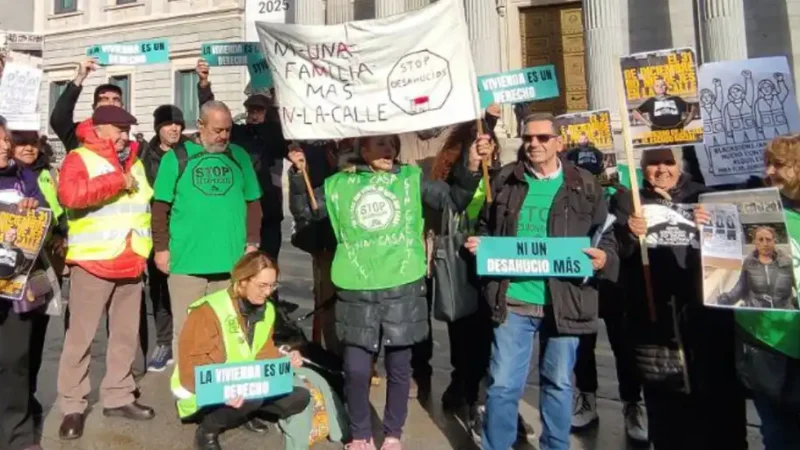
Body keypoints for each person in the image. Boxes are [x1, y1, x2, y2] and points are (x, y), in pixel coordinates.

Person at [288, 132, 486, 450]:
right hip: (357, 287)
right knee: (355, 369)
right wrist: (299, 175)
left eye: (392, 145)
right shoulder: (340, 184)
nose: (388, 150)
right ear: (362, 149)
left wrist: (472, 165)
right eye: (380, 144)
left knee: (399, 368)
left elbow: (453, 200)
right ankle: (361, 433)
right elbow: (308, 212)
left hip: (402, 284)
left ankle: (393, 433)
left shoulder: (410, 178)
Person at [464, 112, 618, 450]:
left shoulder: (585, 185)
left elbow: (605, 235)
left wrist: (605, 258)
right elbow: (486, 228)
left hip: (565, 301)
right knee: (503, 385)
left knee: (559, 383)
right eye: (527, 138)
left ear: (559, 143)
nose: (533, 144)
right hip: (514, 299)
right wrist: (478, 244)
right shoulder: (505, 180)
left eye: (542, 138)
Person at [614, 148, 747, 450]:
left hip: (708, 322)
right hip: (655, 322)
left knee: (721, 415)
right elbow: (617, 257)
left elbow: (734, 254)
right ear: (642, 167)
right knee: (668, 421)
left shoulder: (706, 196)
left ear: (681, 164)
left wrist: (712, 227)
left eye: (668, 162)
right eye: (652, 164)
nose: (661, 170)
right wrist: (629, 234)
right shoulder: (627, 200)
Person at [55, 106, 156, 440]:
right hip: (93, 262)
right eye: (119, 129)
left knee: (125, 336)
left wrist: (145, 251)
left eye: (128, 129)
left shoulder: (136, 162)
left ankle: (119, 394)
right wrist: (116, 180)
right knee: (80, 339)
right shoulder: (78, 158)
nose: (125, 135)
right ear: (99, 129)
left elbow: (142, 208)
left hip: (130, 260)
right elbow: (69, 196)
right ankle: (72, 405)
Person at [151, 101, 262, 374]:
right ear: (200, 126)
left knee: (226, 330)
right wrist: (161, 249)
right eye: (217, 130)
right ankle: (189, 394)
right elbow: (160, 209)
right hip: (187, 264)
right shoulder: (176, 158)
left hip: (231, 263)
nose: (223, 136)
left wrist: (252, 244)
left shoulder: (239, 156)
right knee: (188, 332)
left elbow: (254, 204)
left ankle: (220, 395)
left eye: (228, 130)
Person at [170, 251, 309, 450]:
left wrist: (284, 358)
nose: (268, 292)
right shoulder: (208, 311)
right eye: (262, 285)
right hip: (201, 389)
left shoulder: (267, 309)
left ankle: (244, 413)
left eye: (272, 285)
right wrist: (222, 390)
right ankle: (207, 430)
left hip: (241, 382)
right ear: (242, 281)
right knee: (253, 396)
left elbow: (263, 351)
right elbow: (191, 367)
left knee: (299, 397)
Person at [728, 135, 800, 449]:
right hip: (764, 340)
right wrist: (709, 223)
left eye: (779, 165)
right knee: (778, 436)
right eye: (767, 163)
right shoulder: (754, 208)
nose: (769, 171)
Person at [195, 59, 287, 260]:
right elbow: (211, 112)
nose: (254, 115)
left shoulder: (275, 135)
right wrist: (204, 85)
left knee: (269, 265)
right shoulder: (239, 133)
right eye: (251, 110)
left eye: (259, 110)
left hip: (269, 211)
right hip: (242, 210)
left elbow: (279, 134)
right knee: (244, 265)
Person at [10, 129, 68, 419]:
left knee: (34, 338)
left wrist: (60, 233)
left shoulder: (47, 173)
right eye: (21, 142)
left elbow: (58, 211)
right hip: (7, 271)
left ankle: (28, 396)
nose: (29, 148)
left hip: (36, 271)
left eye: (33, 142)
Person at [0, 118, 46, 450]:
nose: (5, 146)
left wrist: (33, 208)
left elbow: (45, 213)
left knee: (15, 362)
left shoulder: (24, 176)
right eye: (0, 140)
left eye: (6, 139)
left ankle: (19, 438)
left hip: (13, 287)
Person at [139, 104, 188, 373]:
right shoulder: (145, 155)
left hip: (186, 231)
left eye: (178, 124)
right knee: (158, 289)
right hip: (155, 230)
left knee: (188, 287)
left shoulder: (189, 152)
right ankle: (164, 341)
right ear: (158, 127)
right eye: (169, 124)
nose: (174, 128)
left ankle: (189, 340)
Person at [49, 58, 124, 151]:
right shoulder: (78, 134)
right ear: (94, 107)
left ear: (122, 106)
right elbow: (59, 118)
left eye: (116, 99)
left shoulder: (128, 140)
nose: (111, 103)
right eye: (104, 99)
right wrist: (80, 77)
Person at [718, 226, 796, 309]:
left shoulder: (787, 263)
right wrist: (727, 299)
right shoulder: (749, 263)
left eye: (768, 239)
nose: (765, 244)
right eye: (760, 240)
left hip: (784, 314)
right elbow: (741, 287)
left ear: (774, 241)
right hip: (757, 314)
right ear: (755, 242)